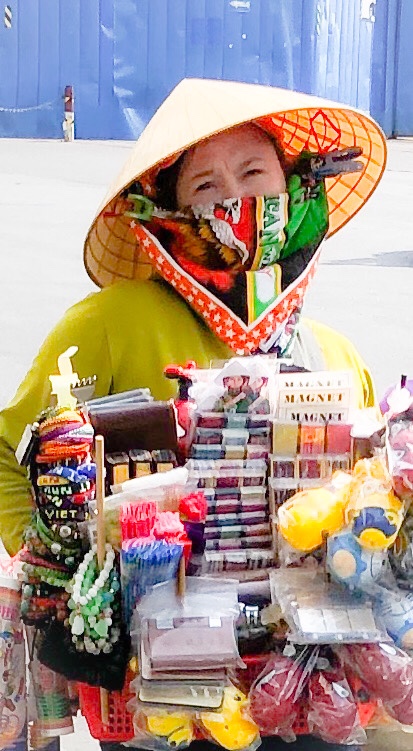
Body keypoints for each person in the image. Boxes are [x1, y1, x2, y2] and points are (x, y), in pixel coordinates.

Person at [0, 78, 386, 750]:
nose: (234, 199)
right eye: (206, 187)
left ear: (295, 186)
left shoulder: (333, 352)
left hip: (306, 692)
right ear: (172, 212)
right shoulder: (111, 322)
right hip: (158, 697)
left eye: (253, 173)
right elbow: (11, 453)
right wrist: (64, 573)